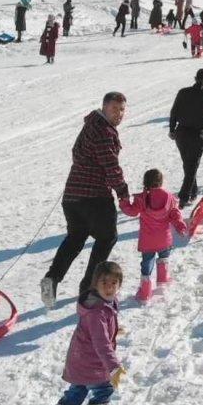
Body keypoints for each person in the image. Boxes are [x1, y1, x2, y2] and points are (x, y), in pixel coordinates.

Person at [42, 92, 130, 308]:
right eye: (114, 109)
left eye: (122, 110)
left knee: (76, 237)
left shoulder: (90, 125)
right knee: (107, 237)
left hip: (72, 196)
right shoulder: (103, 131)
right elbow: (110, 165)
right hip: (94, 196)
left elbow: (77, 152)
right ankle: (90, 288)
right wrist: (123, 192)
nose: (119, 114)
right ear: (104, 107)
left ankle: (52, 278)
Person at [43, 260, 125, 405]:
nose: (109, 287)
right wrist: (114, 366)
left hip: (80, 360)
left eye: (114, 283)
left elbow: (99, 330)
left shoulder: (104, 302)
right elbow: (101, 343)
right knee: (104, 391)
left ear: (119, 285)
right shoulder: (97, 311)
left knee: (76, 394)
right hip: (92, 362)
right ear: (95, 284)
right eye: (104, 282)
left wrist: (114, 329)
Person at [118, 169, 189, 304]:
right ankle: (162, 279)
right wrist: (180, 226)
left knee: (147, 263)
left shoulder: (142, 199)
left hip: (148, 240)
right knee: (163, 257)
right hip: (164, 238)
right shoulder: (170, 198)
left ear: (145, 182)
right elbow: (175, 214)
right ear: (161, 182)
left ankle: (145, 293)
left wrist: (124, 202)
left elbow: (132, 212)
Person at [168, 69, 203, 206]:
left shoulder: (183, 92)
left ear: (195, 77)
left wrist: (172, 129)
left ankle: (193, 191)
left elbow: (174, 112)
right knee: (192, 167)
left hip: (181, 133)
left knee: (188, 164)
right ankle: (184, 198)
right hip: (197, 134)